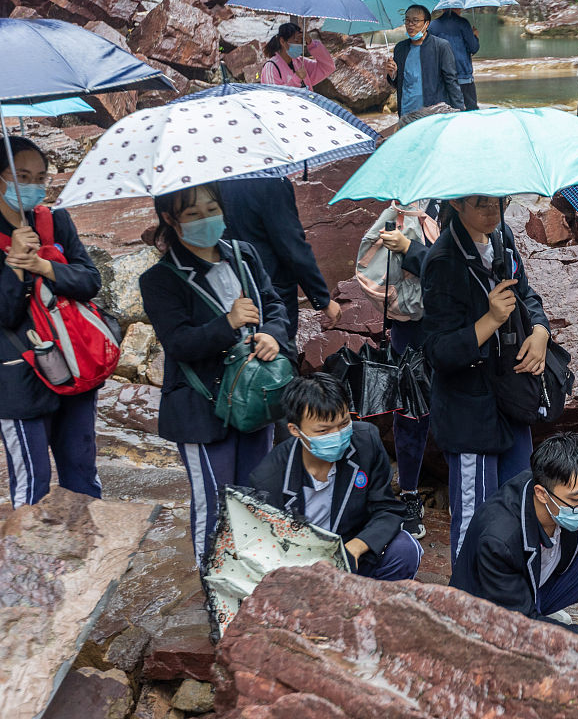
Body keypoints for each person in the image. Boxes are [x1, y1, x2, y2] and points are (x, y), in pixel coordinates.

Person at [139, 184, 290, 566]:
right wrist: (228, 323)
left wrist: (273, 334)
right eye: (192, 214)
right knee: (216, 504)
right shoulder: (161, 279)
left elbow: (274, 304)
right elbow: (179, 344)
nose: (206, 220)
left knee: (255, 495)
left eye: (212, 209)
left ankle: (251, 584)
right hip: (202, 409)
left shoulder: (244, 254)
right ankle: (217, 597)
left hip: (255, 400)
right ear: (171, 220)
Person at [421, 195, 551, 562]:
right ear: (457, 204)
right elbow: (438, 352)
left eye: (498, 200)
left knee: (523, 504)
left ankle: (520, 595)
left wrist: (540, 332)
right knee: (474, 517)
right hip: (468, 411)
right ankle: (468, 603)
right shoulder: (443, 262)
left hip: (510, 397)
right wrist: (489, 320)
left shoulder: (502, 238)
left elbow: (527, 296)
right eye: (481, 203)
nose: (492, 210)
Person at [449, 432, 578, 649]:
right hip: (493, 614)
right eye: (577, 499)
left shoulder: (575, 492)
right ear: (541, 494)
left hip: (540, 586)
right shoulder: (499, 539)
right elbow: (516, 623)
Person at [0, 137, 102, 507]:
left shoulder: (55, 220)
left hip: (72, 363)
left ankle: (92, 562)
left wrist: (44, 266)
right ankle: (28, 565)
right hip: (18, 377)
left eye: (40, 177)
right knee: (33, 483)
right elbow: (5, 315)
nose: (32, 185)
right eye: (21, 176)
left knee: (82, 471)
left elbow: (90, 281)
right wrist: (13, 266)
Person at [249, 373, 423, 581]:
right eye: (323, 431)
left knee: (405, 548)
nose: (337, 435)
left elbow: (386, 509)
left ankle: (375, 606)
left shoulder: (365, 442)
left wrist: (355, 548)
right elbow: (266, 548)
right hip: (297, 565)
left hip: (351, 550)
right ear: (295, 430)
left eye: (343, 423)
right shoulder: (270, 477)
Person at [376, 205, 438, 539]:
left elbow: (456, 270)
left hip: (455, 324)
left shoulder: (461, 200)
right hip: (410, 325)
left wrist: (410, 250)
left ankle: (464, 491)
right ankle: (410, 493)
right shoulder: (401, 207)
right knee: (411, 415)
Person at [220, 176, 341, 345]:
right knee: (276, 364)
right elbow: (291, 245)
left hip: (223, 297)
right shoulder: (269, 180)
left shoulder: (207, 182)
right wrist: (322, 299)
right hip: (269, 300)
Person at [384, 5, 464, 116]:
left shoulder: (441, 46)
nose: (410, 25)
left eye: (415, 21)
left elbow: (451, 81)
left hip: (433, 112)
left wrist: (459, 110)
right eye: (407, 20)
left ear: (426, 24)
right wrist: (392, 74)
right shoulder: (400, 48)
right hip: (407, 112)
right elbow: (398, 83)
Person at [429, 8, 481, 111]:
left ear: (443, 8)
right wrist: (475, 36)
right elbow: (473, 48)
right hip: (463, 76)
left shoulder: (433, 25)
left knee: (447, 112)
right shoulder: (463, 23)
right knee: (471, 112)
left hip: (442, 78)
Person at [259, 21, 336, 90]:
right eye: (296, 41)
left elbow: (328, 67)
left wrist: (311, 43)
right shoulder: (271, 67)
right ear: (282, 41)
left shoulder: (300, 62)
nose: (299, 45)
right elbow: (273, 97)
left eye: (301, 42)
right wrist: (296, 79)